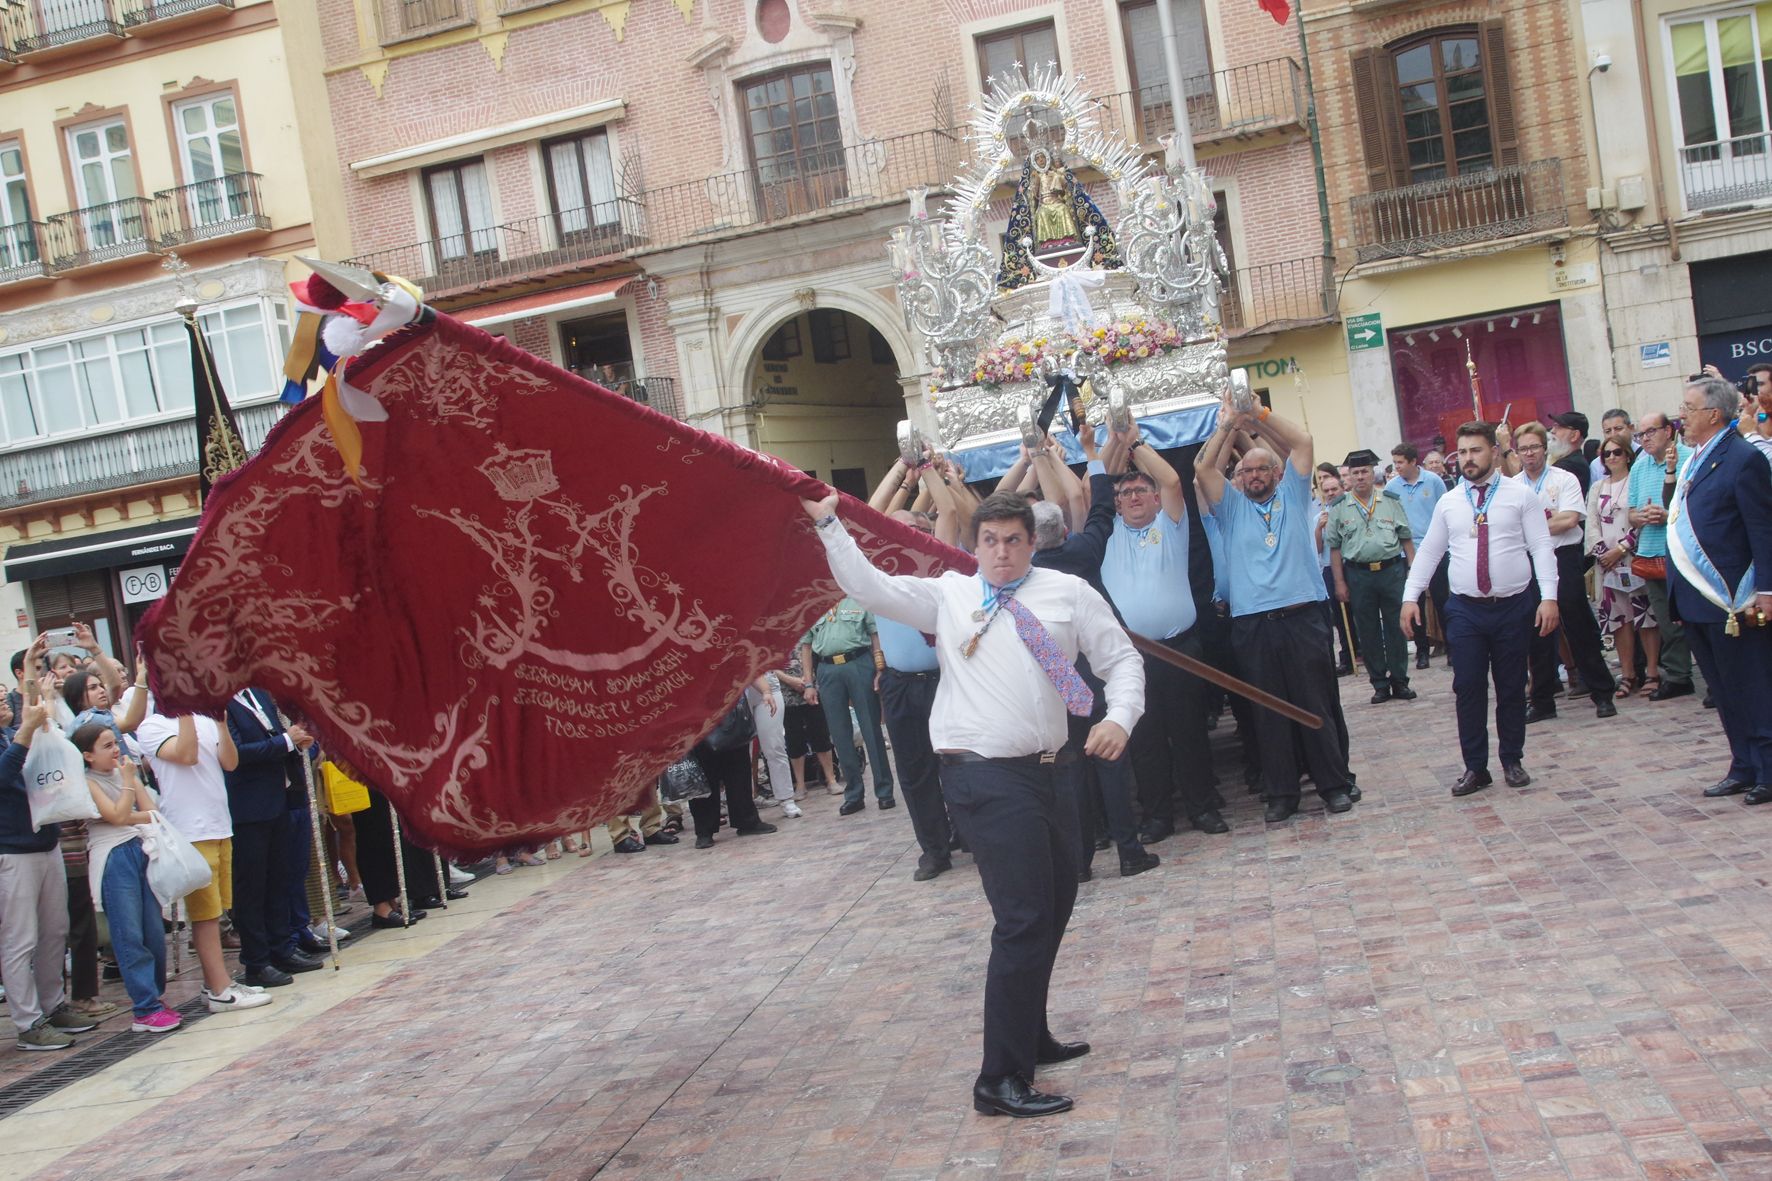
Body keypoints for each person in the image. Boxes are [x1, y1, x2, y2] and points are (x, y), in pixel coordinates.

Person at [801, 487, 1142, 1119]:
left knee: (1057, 901)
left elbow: (1121, 660)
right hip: (981, 776)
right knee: (1022, 918)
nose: (1002, 552)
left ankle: (1028, 1034)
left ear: (1031, 543)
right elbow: (871, 586)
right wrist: (830, 525)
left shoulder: (1068, 594)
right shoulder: (950, 594)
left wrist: (1119, 716)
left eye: (1014, 540)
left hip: (1052, 770)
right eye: (990, 541)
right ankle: (999, 1079)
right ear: (974, 545)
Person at [1195, 392, 1357, 822]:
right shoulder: (1229, 508)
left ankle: (1333, 785)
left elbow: (1302, 441)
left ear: (1275, 472)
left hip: (1303, 615)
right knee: (1268, 712)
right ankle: (1281, 793)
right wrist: (1228, 426)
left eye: (1259, 469)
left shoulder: (1294, 494)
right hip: (1253, 625)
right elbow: (1202, 468)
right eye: (1244, 471)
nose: (1251, 476)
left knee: (1315, 704)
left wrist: (1257, 414)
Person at [1401, 421, 1560, 796]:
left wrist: (1549, 596)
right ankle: (1475, 767)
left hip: (1513, 606)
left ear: (1493, 450)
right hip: (1466, 610)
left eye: (1476, 450)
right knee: (1468, 686)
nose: (1468, 459)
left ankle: (1512, 759)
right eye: (1463, 453)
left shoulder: (1520, 496)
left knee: (1510, 685)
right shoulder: (1450, 501)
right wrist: (1410, 597)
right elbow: (1429, 552)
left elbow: (1540, 546)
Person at [1028, 428, 1157, 881]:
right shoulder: (1082, 550)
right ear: (1064, 530)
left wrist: (1037, 458)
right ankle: (1129, 849)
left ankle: (1081, 860)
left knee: (1072, 770)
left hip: (1059, 676)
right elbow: (1102, 508)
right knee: (1110, 760)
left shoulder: (1024, 573)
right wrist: (1090, 456)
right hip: (1096, 668)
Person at [1099, 423, 1224, 840]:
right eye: (1124, 494)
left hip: (1180, 648)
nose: (1132, 498)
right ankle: (1157, 817)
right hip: (1131, 656)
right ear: (1115, 504)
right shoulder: (1106, 534)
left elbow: (1172, 478)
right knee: (1145, 740)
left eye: (1140, 492)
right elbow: (1090, 489)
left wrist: (1132, 441)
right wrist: (1108, 444)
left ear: (1155, 499)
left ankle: (1203, 808)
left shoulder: (1170, 526)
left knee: (1190, 734)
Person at [1665, 376, 1772, 802]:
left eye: (1688, 409)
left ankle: (1767, 767)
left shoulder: (1744, 458)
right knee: (1723, 689)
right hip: (1697, 596)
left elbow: (1762, 529)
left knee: (1752, 684)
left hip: (1734, 595)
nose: (1682, 417)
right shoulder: (1695, 458)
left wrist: (1767, 589)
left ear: (1713, 413)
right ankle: (1742, 763)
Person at [136, 707, 271, 1014]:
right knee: (205, 914)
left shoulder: (205, 721)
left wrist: (221, 724)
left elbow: (230, 762)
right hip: (189, 830)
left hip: (219, 823)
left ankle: (216, 983)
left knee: (219, 909)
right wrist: (183, 711)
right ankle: (220, 989)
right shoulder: (152, 726)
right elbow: (186, 754)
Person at [0, 700, 97, 1050]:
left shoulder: (11, 733)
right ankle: (28, 1023)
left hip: (45, 841)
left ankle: (53, 1004)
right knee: (19, 939)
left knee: (55, 930)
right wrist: (26, 731)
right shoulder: (16, 737)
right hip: (10, 851)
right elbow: (4, 775)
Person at [72, 724, 179, 1032]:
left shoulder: (123, 774)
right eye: (106, 746)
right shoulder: (89, 782)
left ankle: (155, 997)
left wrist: (127, 798)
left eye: (114, 742)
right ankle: (144, 1007)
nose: (115, 749)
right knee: (128, 933)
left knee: (153, 930)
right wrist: (129, 785)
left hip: (138, 848)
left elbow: (152, 812)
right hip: (112, 857)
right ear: (88, 755)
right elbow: (117, 815)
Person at [1510, 422, 1618, 721]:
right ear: (1516, 452)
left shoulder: (1565, 478)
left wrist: (1531, 529)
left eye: (1534, 446)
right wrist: (1543, 526)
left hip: (1563, 555)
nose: (1529, 453)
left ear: (1545, 447)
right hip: (1529, 559)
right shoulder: (1514, 486)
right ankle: (1543, 699)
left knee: (1577, 622)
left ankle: (1602, 692)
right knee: (1537, 630)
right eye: (1523, 448)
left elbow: (1570, 520)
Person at [1329, 448, 1417, 704]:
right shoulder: (1340, 507)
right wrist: (1339, 582)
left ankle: (1400, 680)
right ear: (1349, 477)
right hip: (1359, 575)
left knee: (1396, 626)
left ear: (1372, 473)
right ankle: (1379, 682)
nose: (1360, 477)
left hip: (1391, 571)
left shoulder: (1390, 500)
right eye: (1355, 473)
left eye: (1364, 471)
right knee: (1366, 630)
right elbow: (1334, 548)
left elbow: (1406, 539)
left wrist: (1414, 573)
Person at [799, 598, 896, 816]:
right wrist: (808, 682)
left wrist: (880, 668)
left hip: (859, 663)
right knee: (840, 734)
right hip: (827, 668)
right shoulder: (813, 604)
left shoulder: (857, 600)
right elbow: (806, 645)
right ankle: (854, 794)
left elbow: (874, 635)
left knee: (871, 730)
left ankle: (884, 791)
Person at [1627, 412, 1697, 701]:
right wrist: (1640, 516)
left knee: (1695, 616)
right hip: (1651, 551)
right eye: (1640, 435)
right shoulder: (1639, 467)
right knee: (1667, 621)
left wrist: (1668, 515)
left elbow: (1697, 506)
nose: (1645, 439)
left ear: (1668, 431)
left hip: (1683, 551)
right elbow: (1630, 513)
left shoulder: (1688, 458)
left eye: (1651, 431)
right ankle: (1679, 676)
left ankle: (1710, 674)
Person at [1587, 440, 1657, 697]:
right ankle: (1627, 673)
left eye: (1617, 452)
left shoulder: (1636, 480)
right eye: (1607, 453)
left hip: (1633, 557)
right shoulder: (1597, 487)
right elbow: (1591, 524)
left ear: (1627, 455)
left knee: (1645, 615)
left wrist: (1623, 548)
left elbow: (1641, 519)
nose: (1612, 457)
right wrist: (1603, 553)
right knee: (1619, 620)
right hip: (1607, 564)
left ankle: (1652, 671)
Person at [1387, 443, 1448, 668]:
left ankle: (1451, 646)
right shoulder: (1392, 487)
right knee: (1415, 602)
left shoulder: (1434, 481)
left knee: (1443, 601)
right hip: (1408, 553)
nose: (1397, 467)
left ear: (1413, 461)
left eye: (1401, 462)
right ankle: (1422, 650)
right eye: (1395, 463)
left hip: (1438, 549)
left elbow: (1445, 511)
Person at [687, 697, 777, 849]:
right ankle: (704, 830)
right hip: (695, 708)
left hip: (727, 702)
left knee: (738, 766)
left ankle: (747, 821)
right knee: (703, 774)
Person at [1312, 467, 1356, 676]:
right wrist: (1319, 529)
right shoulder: (1320, 516)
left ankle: (1365, 650)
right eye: (1326, 490)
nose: (1330, 493)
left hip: (1353, 563)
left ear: (1341, 487)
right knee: (1340, 616)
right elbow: (1318, 548)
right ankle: (1348, 655)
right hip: (1330, 567)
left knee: (1359, 611)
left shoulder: (1352, 507)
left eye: (1333, 489)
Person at [1549, 411, 1594, 496]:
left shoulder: (1573, 464)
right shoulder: (1566, 460)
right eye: (1553, 426)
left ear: (1574, 436)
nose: (1552, 431)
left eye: (1559, 427)